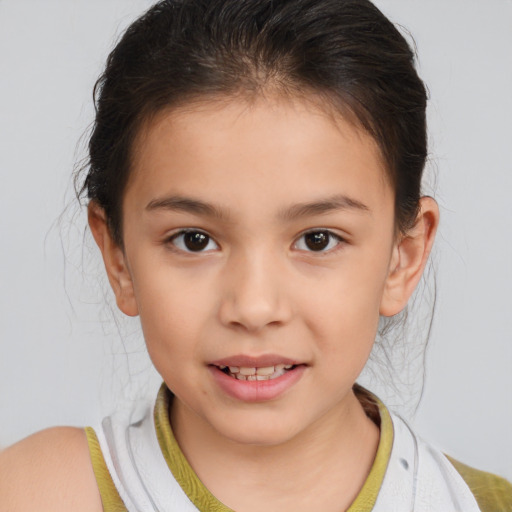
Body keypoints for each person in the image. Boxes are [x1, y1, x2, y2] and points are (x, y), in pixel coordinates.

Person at [0, 0, 510, 510]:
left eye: (317, 239)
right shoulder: (38, 493)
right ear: (118, 256)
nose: (254, 307)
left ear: (404, 256)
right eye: (193, 240)